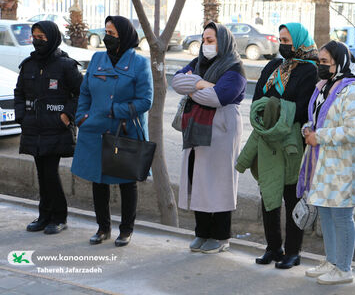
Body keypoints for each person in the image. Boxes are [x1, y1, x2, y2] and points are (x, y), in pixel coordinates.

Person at [71, 16, 153, 247]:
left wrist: (115, 110)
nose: (108, 37)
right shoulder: (97, 59)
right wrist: (82, 116)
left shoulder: (139, 63)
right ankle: (102, 228)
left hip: (123, 130)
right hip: (95, 129)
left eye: (113, 33)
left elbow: (146, 100)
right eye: (106, 32)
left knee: (127, 182)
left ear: (125, 36)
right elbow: (85, 91)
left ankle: (126, 230)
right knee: (99, 181)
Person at [171, 22, 247, 254]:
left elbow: (218, 97)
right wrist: (202, 84)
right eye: (204, 39)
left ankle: (221, 236)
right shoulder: (198, 63)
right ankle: (202, 232)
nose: (206, 44)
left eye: (211, 40)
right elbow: (176, 81)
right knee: (198, 178)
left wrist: (193, 86)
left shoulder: (235, 68)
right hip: (197, 127)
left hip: (222, 129)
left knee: (219, 181)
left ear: (222, 41)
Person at [250, 22, 319, 269]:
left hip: (292, 145)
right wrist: (272, 109)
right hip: (268, 141)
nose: (283, 45)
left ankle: (293, 252)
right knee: (269, 196)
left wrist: (273, 108)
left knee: (292, 198)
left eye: (288, 40)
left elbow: (302, 107)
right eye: (280, 39)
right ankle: (273, 247)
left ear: (300, 41)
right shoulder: (272, 67)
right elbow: (257, 99)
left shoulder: (311, 71)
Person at [298, 41, 355, 284]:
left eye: (326, 62)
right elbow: (316, 119)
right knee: (325, 212)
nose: (321, 66)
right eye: (320, 61)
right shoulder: (324, 86)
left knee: (341, 216)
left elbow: (353, 130)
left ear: (341, 62)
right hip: (322, 161)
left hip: (342, 164)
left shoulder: (353, 90)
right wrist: (308, 130)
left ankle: (344, 268)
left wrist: (320, 137)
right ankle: (332, 260)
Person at [14, 21, 82, 234]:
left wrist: (67, 115)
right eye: (34, 36)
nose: (37, 40)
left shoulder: (66, 65)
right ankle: (44, 216)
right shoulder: (29, 64)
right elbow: (19, 92)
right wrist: (21, 117)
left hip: (56, 129)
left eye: (42, 36)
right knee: (42, 174)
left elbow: (81, 93)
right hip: (33, 129)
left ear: (52, 37)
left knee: (50, 173)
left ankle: (59, 217)